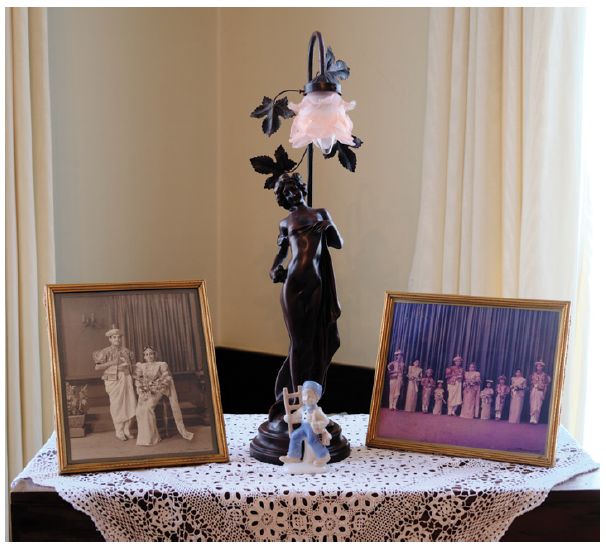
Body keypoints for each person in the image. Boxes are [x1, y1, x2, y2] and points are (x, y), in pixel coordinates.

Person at [268, 173, 343, 422]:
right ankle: (295, 403)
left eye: (294, 188)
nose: (292, 193)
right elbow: (281, 252)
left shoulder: (320, 213)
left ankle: (308, 398)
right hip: (293, 282)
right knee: (298, 344)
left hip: (315, 282)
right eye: (286, 192)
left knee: (313, 342)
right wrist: (274, 268)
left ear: (302, 188)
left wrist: (329, 226)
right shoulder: (284, 223)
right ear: (282, 198)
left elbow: (337, 243)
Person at [133, 347, 194, 446]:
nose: (149, 356)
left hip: (158, 390)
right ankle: (145, 438)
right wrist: (141, 388)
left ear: (155, 355)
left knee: (147, 408)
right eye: (147, 354)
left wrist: (157, 385)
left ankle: (153, 439)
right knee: (139, 410)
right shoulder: (141, 366)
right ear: (144, 357)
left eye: (151, 354)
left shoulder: (161, 364)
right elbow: (138, 379)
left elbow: (167, 377)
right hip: (145, 390)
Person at [93, 325, 137, 441]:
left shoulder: (126, 351)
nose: (117, 339)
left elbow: (133, 366)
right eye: (114, 337)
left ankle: (127, 430)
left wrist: (130, 370)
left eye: (118, 337)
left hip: (126, 379)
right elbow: (97, 367)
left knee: (130, 403)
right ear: (110, 339)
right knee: (117, 405)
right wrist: (112, 362)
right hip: (114, 381)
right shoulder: (105, 352)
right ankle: (119, 431)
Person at [279, 380, 331, 468]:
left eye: (310, 396)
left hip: (312, 429)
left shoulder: (317, 410)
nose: (306, 398)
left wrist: (317, 424)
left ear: (317, 399)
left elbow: (325, 420)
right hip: (304, 428)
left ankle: (323, 456)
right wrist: (289, 417)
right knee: (294, 436)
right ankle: (294, 456)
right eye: (304, 395)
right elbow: (295, 415)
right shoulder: (303, 408)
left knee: (312, 440)